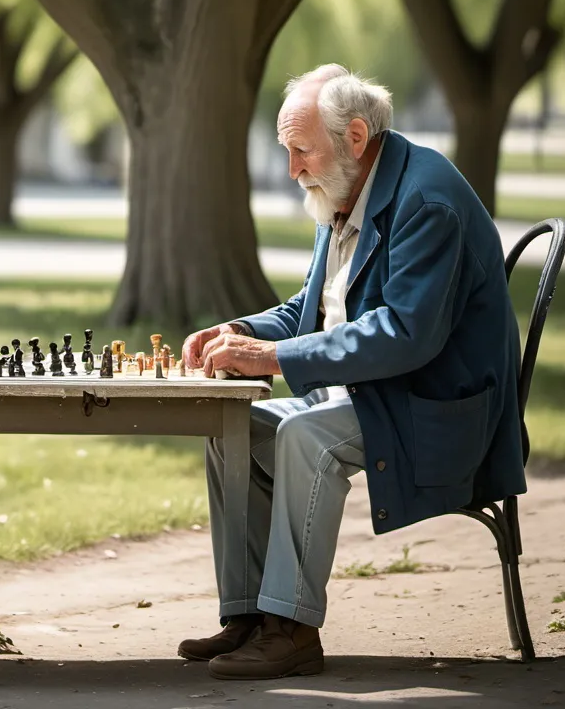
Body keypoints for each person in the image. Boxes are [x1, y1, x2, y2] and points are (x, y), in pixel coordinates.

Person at [178, 65, 525, 681]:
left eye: (300, 151)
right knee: (231, 424)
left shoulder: (426, 199)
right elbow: (318, 305)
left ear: (356, 136)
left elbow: (405, 334)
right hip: (379, 396)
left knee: (303, 437)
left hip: (436, 412)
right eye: (288, 152)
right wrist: (246, 332)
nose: (293, 170)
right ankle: (250, 616)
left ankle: (292, 629)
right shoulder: (344, 186)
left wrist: (276, 360)